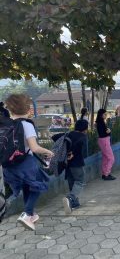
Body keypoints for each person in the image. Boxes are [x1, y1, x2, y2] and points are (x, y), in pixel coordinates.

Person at [2, 94, 53, 230]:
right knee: (38, 185)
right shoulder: (26, 125)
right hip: (26, 163)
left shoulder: (5, 125)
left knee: (26, 188)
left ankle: (31, 215)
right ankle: (27, 214)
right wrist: (48, 152)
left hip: (9, 165)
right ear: (27, 109)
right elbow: (34, 148)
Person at [52, 120, 88, 214]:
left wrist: (66, 151)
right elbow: (82, 150)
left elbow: (54, 137)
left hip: (67, 163)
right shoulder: (82, 136)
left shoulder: (68, 134)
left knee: (72, 183)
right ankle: (70, 198)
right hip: (77, 163)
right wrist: (73, 153)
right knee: (80, 181)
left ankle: (74, 203)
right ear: (85, 128)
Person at [95, 109, 116, 181]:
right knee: (111, 158)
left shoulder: (99, 122)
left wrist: (107, 131)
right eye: (104, 114)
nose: (105, 115)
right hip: (104, 141)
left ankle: (104, 174)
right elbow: (103, 133)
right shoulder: (101, 123)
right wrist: (109, 131)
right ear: (101, 115)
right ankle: (107, 174)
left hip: (102, 141)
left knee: (105, 158)